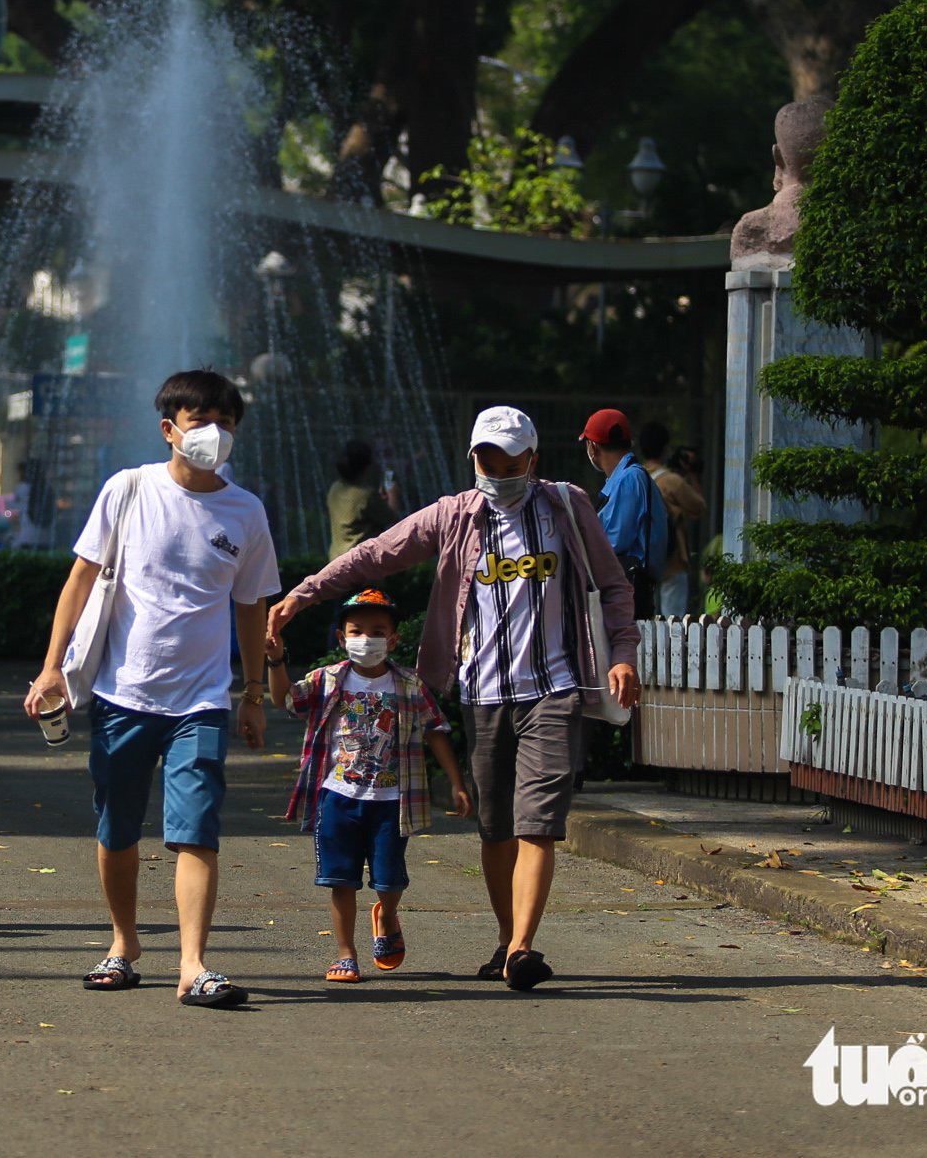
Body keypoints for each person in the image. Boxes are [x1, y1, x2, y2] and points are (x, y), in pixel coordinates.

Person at [266, 405, 638, 992]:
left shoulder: (566, 506)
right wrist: (304, 595)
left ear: (533, 459)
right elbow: (376, 554)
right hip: (483, 693)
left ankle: (521, 948)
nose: (501, 470)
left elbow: (613, 586)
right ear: (473, 458)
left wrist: (622, 654)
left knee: (538, 822)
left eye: (513, 461)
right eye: (490, 459)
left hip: (555, 688)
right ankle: (504, 938)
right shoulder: (453, 516)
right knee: (495, 827)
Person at [23, 369, 280, 1009]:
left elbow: (251, 607)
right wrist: (53, 666)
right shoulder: (128, 490)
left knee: (196, 832)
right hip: (123, 695)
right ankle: (124, 944)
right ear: (169, 429)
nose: (214, 436)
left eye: (226, 425)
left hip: (202, 703)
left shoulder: (246, 511)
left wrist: (252, 692)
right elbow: (80, 582)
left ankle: (193, 965)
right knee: (118, 830)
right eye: (201, 423)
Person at [267, 587, 470, 983]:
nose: (366, 639)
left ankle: (387, 913)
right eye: (356, 631)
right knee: (339, 879)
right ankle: (345, 953)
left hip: (392, 801)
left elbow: (437, 731)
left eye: (377, 631)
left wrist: (458, 783)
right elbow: (285, 700)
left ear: (393, 639)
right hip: (337, 796)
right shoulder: (326, 680)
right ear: (342, 638)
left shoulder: (409, 685)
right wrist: (275, 659)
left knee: (389, 878)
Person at [581, 408, 668, 620]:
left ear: (592, 446)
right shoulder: (626, 478)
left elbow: (613, 540)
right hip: (627, 589)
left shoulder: (630, 479)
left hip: (625, 593)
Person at [640, 425, 707, 616]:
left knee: (645, 623)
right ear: (665, 449)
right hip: (672, 560)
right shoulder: (672, 481)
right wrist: (692, 475)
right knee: (673, 624)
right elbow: (699, 506)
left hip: (642, 561)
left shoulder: (635, 478)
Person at [325, 439, 397, 561]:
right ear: (367, 466)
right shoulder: (367, 495)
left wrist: (377, 500)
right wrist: (393, 494)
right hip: (360, 562)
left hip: (336, 560)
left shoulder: (335, 489)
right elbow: (391, 518)